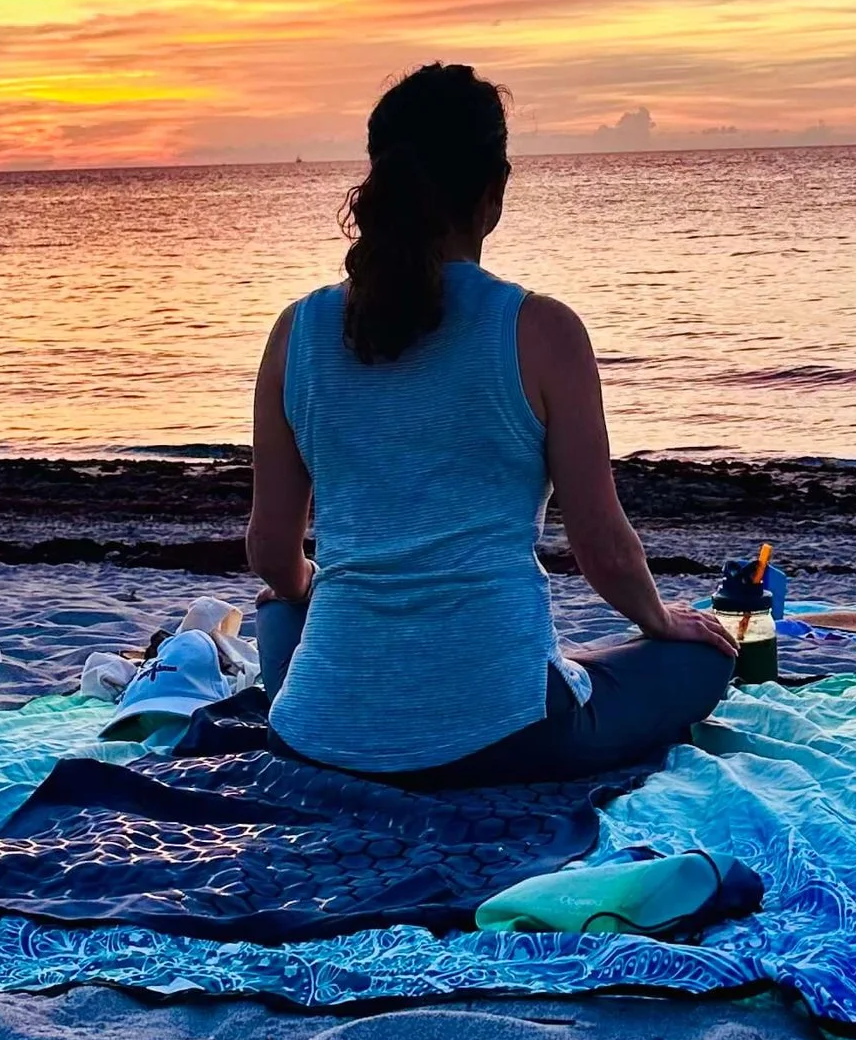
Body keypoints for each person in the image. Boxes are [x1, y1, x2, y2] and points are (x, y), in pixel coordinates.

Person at [244, 64, 736, 785]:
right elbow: (600, 545)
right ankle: (576, 670)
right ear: (494, 186)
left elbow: (270, 553)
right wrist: (659, 617)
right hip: (503, 736)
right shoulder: (542, 330)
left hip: (317, 734)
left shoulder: (296, 331)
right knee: (702, 656)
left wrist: (309, 581)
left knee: (285, 609)